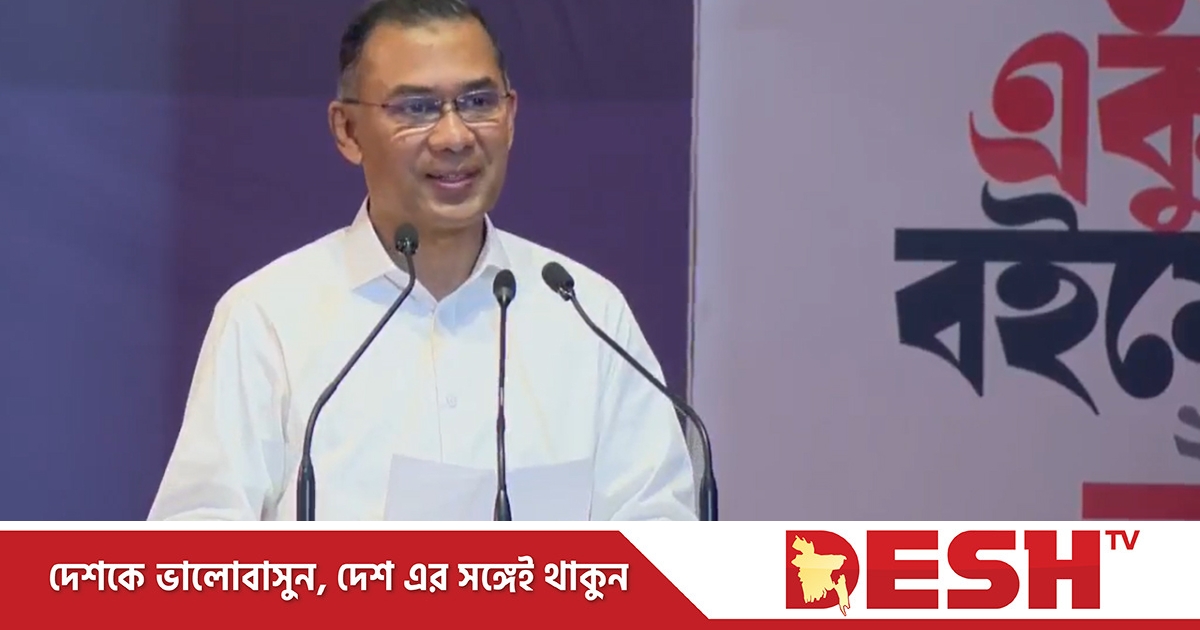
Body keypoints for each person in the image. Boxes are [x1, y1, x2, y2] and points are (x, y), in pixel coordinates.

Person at [147, 0, 697, 521]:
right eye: (417, 108)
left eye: (478, 102)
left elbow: (660, 536)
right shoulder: (268, 317)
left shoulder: (586, 312)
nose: (454, 136)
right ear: (348, 131)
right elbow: (195, 550)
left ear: (510, 116)